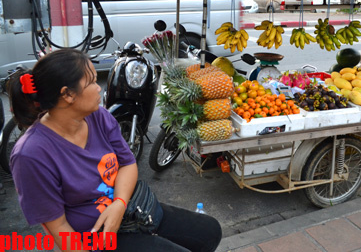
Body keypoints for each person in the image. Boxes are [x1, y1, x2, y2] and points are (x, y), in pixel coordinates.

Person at [8, 49, 221, 252]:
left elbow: (127, 163)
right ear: (68, 95)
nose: (99, 87)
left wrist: (119, 204)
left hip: (131, 208)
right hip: (95, 238)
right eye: (91, 81)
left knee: (210, 231)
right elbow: (58, 228)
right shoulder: (31, 155)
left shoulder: (99, 116)